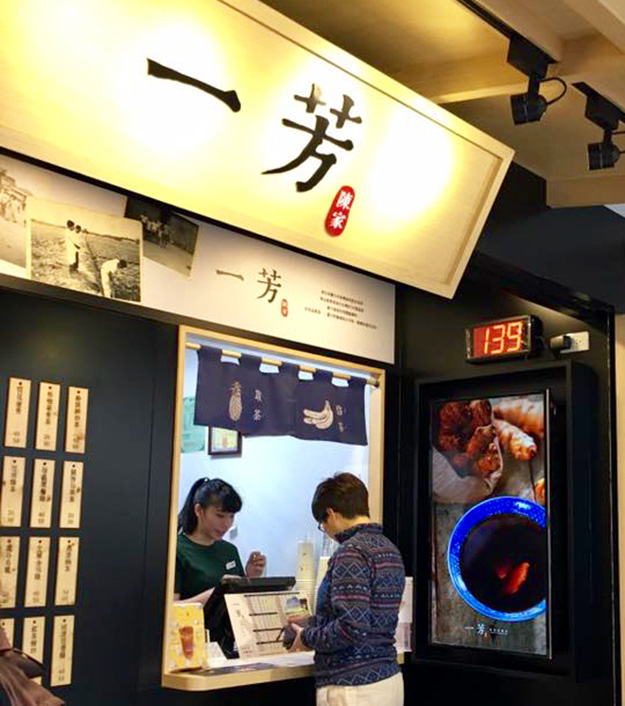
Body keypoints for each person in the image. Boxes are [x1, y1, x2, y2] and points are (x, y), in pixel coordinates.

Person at [289, 473, 405, 706]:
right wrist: (313, 621)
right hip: (388, 680)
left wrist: (306, 637)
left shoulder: (350, 552)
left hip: (352, 687)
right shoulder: (390, 549)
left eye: (322, 524)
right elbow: (367, 617)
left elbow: (351, 628)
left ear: (331, 514)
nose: (325, 530)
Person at [174, 477, 266, 607]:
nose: (226, 524)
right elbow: (170, 609)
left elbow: (240, 602)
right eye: (220, 515)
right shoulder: (176, 549)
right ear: (199, 510)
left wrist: (251, 577)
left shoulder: (229, 550)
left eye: (231, 516)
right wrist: (217, 592)